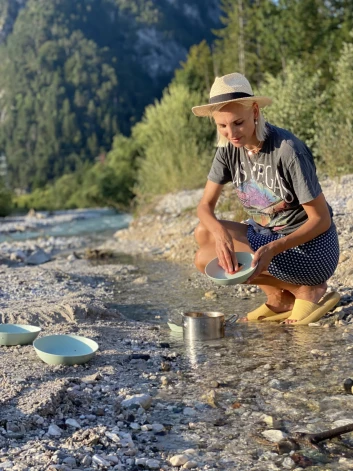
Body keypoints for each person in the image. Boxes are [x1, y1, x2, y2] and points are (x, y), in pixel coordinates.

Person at [192, 72, 340, 325]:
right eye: (222, 126)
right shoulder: (229, 149)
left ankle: (306, 290)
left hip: (311, 249)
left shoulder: (287, 150)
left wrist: (273, 248)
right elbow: (205, 206)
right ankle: (279, 298)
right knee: (204, 235)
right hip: (268, 236)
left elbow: (321, 220)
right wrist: (220, 234)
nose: (231, 133)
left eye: (238, 123)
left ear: (255, 112)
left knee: (205, 257)